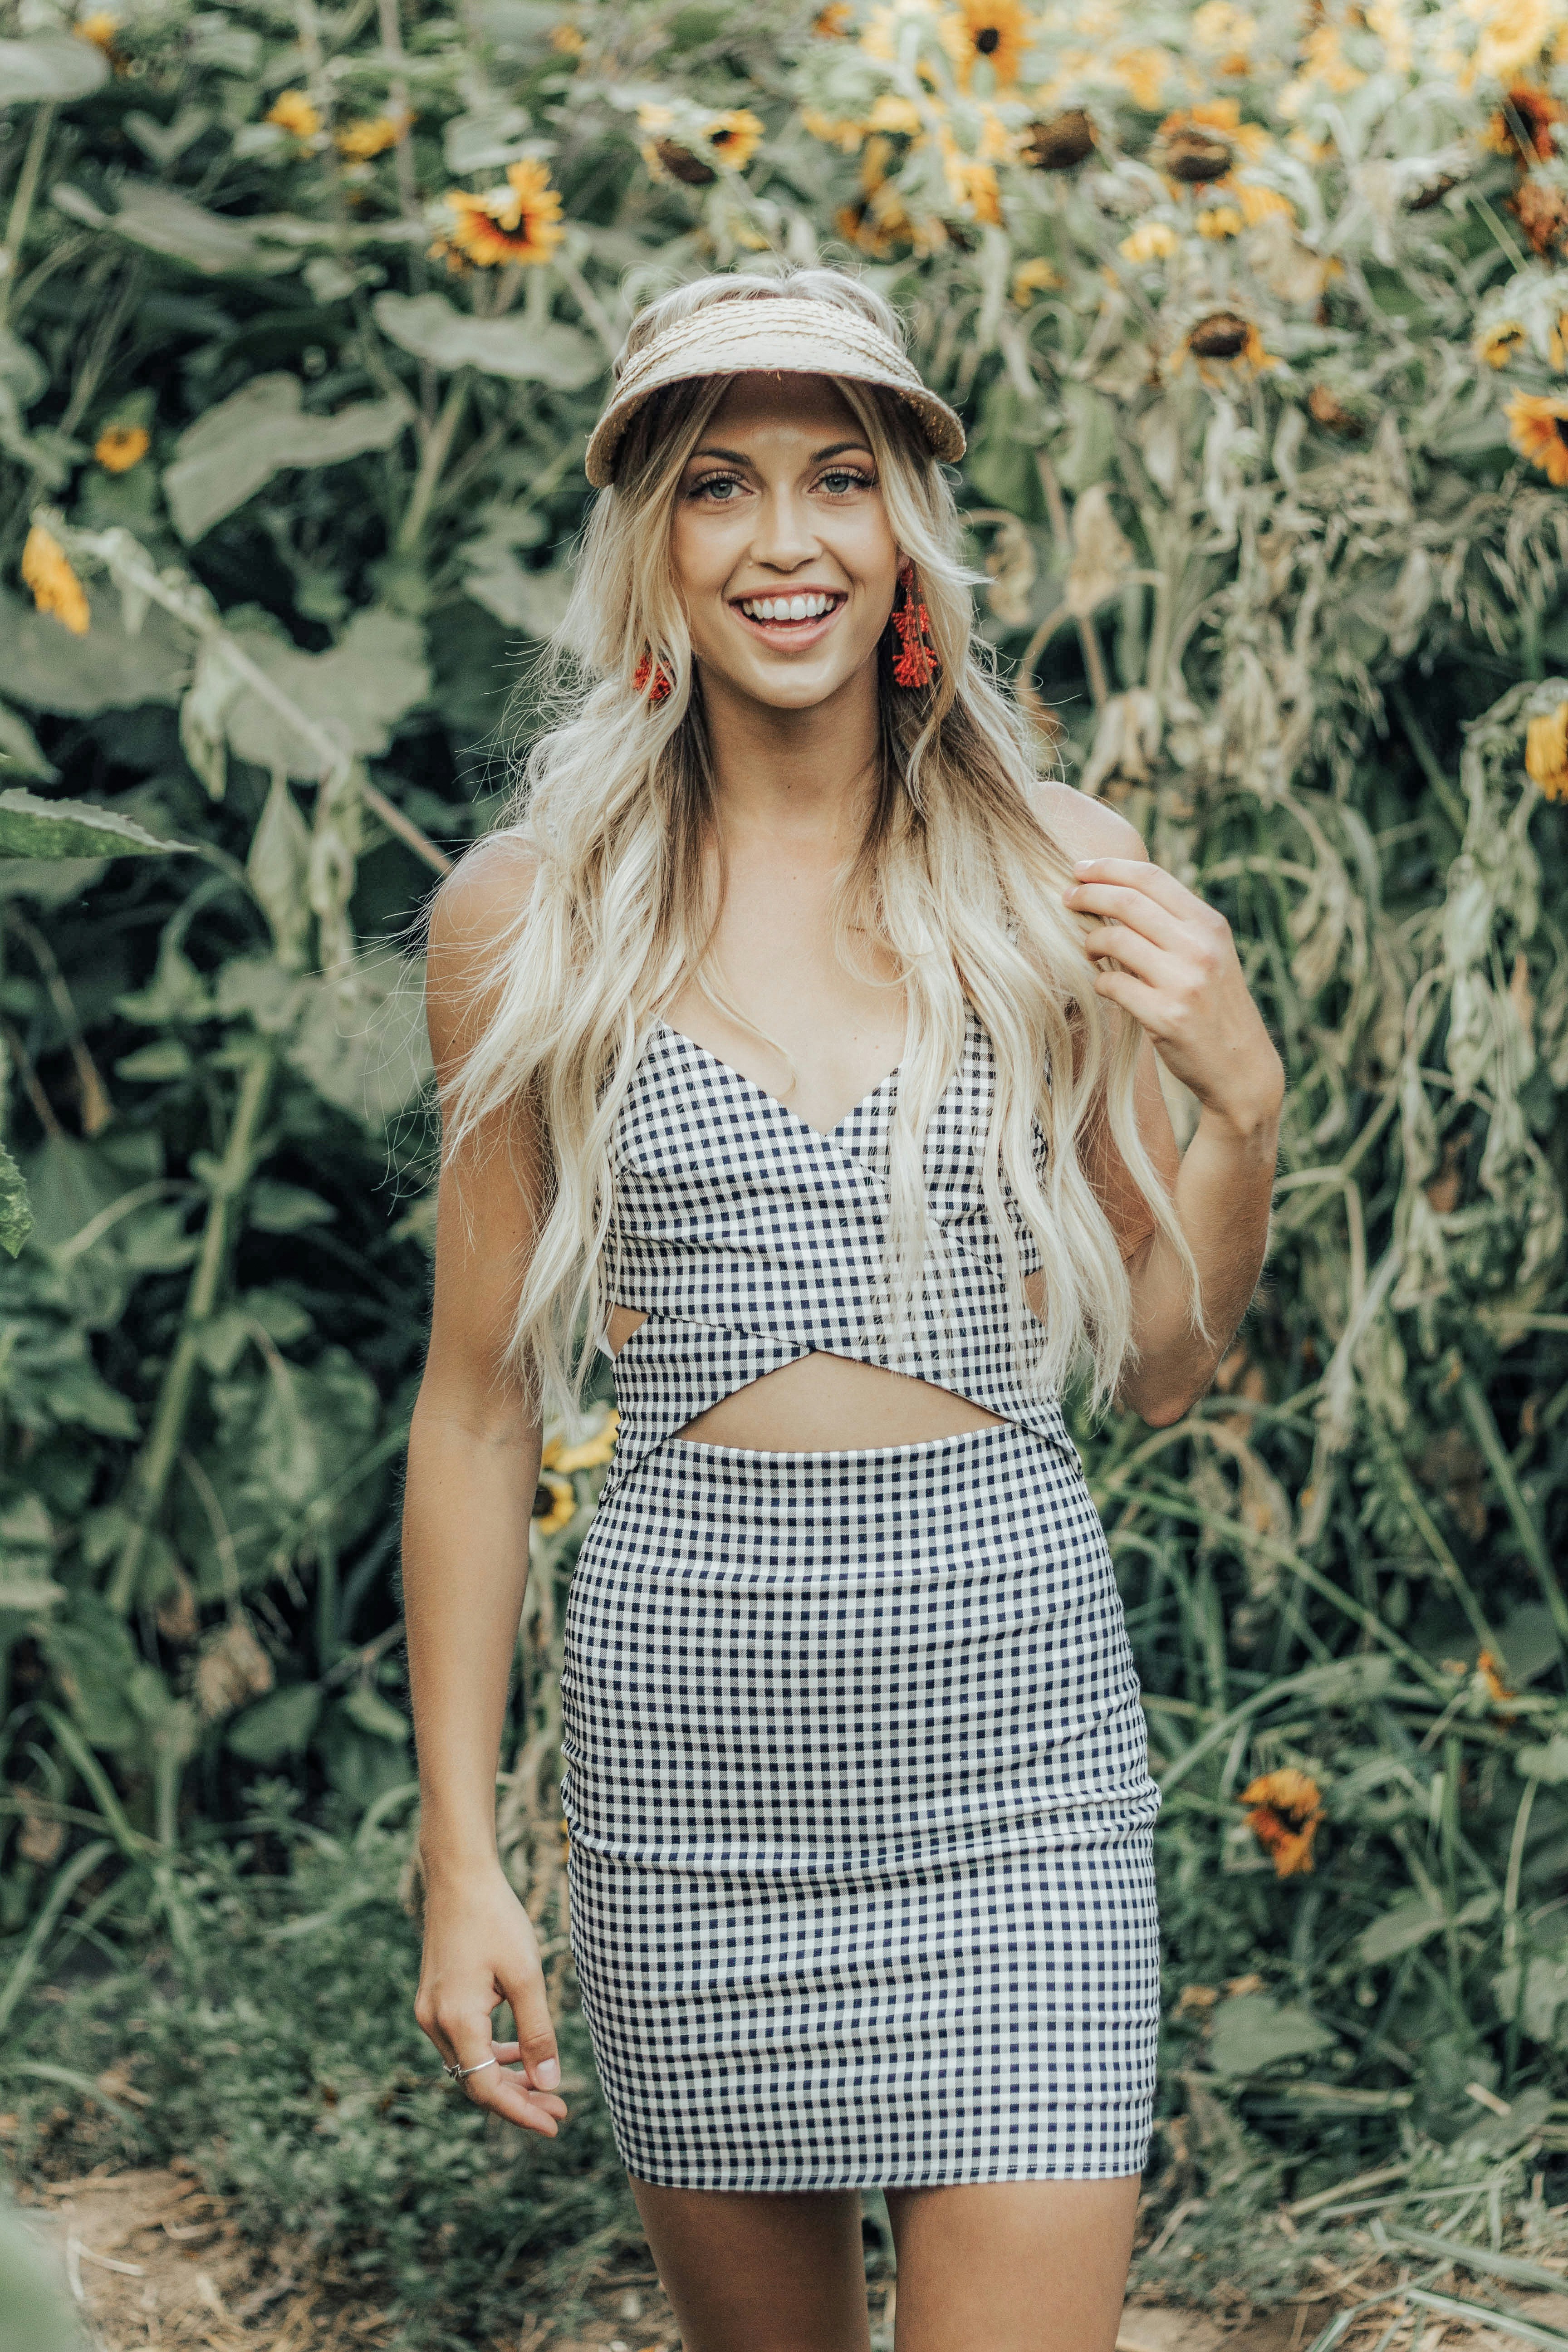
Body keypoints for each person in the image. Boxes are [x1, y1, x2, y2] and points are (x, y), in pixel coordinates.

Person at [402, 268, 1283, 2352]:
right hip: (689, 1770)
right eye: (719, 487)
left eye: (836, 478)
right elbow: (474, 1410)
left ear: (902, 531)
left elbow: (1165, 1369)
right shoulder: (529, 919)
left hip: (1017, 1771)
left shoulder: (1050, 874)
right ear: (655, 540)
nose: (782, 541)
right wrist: (459, 1856)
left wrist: (1241, 1107)